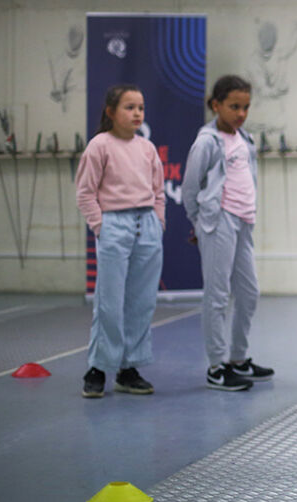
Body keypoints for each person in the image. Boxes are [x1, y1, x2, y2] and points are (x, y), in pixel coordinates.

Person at [184, 75, 273, 392]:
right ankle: (216, 366)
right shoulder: (207, 142)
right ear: (216, 105)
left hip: (243, 223)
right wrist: (200, 222)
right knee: (218, 295)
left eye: (246, 107)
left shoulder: (245, 139)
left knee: (249, 292)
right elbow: (190, 188)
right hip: (218, 221)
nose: (241, 113)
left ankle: (238, 358)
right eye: (234, 106)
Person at [75, 84, 164, 398]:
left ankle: (129, 369)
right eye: (129, 107)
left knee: (141, 302)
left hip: (147, 227)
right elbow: (85, 193)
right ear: (111, 112)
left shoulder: (147, 149)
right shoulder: (100, 145)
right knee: (109, 301)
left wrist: (158, 221)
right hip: (114, 225)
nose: (137, 113)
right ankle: (98, 367)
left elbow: (158, 191)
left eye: (140, 107)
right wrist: (101, 226)